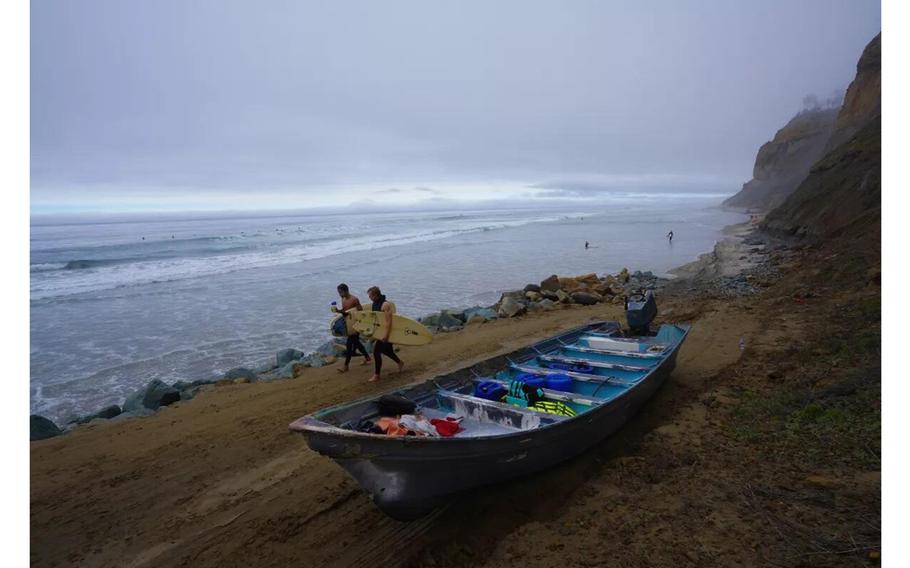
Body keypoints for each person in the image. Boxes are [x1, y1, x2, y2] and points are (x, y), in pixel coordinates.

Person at [367, 286, 404, 383]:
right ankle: (400, 363)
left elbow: (388, 322)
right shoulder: (375, 303)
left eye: (370, 295)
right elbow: (377, 320)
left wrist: (386, 336)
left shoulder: (385, 305)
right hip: (381, 332)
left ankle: (377, 375)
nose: (369, 297)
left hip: (387, 332)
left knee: (376, 352)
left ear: (375, 295)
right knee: (388, 351)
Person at [335, 283, 371, 373]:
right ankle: (367, 357)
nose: (339, 294)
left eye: (340, 292)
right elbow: (345, 311)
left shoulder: (354, 299)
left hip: (355, 326)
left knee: (349, 345)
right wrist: (338, 311)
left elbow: (360, 312)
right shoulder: (343, 299)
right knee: (357, 343)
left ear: (346, 291)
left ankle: (346, 366)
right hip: (349, 325)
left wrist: (360, 326)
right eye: (338, 292)